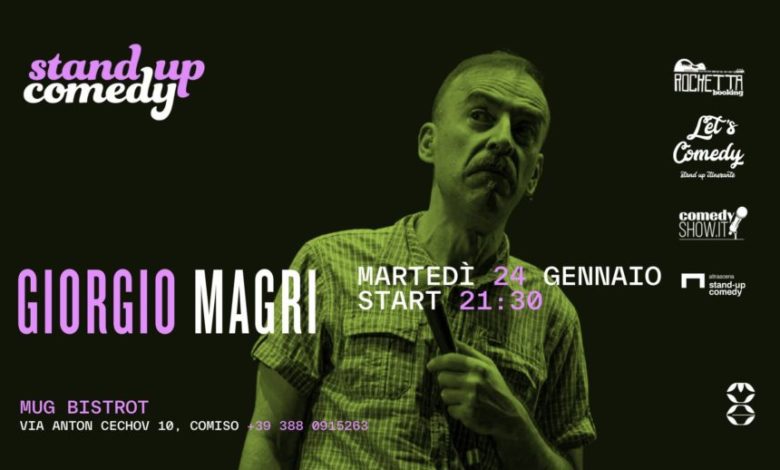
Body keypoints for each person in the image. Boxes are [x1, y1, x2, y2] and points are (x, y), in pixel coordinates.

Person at [239, 51, 596, 470]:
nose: (503, 140)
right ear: (429, 143)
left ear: (534, 175)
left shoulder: (553, 316)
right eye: (480, 116)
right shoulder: (328, 265)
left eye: (523, 131)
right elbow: (270, 438)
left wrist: (513, 425)